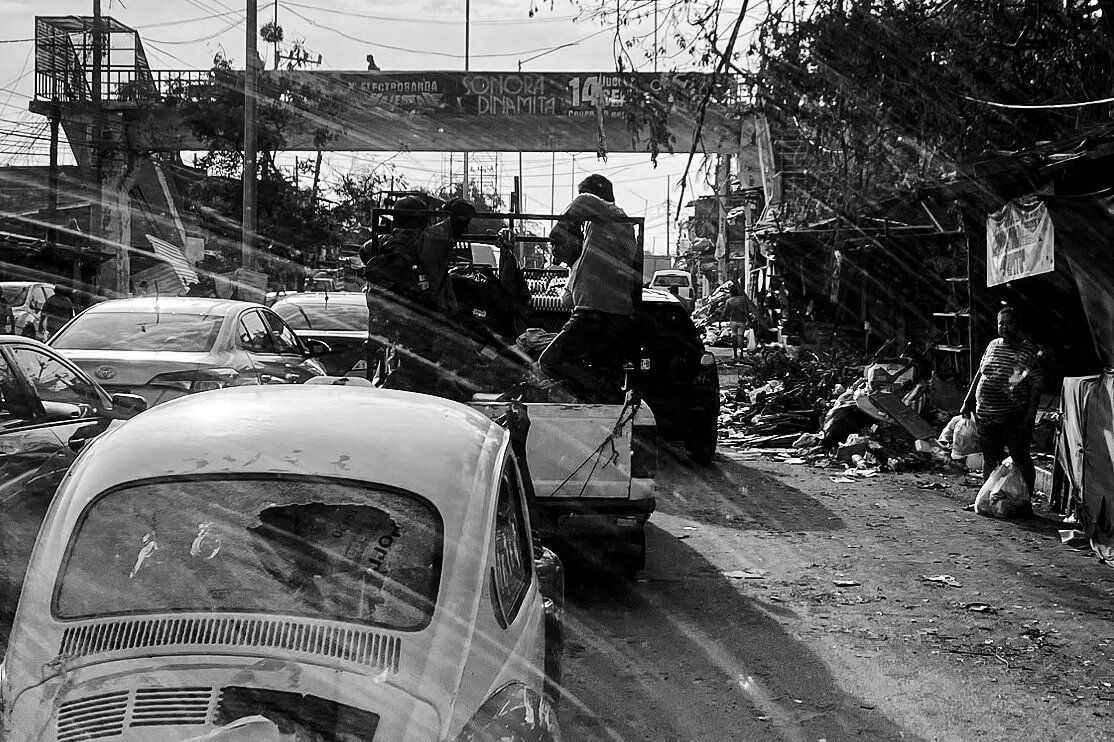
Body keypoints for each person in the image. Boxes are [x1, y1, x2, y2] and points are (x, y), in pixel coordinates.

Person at [539, 174, 638, 402]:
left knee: (549, 361)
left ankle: (603, 391)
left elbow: (581, 202)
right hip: (600, 312)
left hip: (598, 314)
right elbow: (568, 299)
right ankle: (597, 395)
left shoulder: (614, 216)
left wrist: (562, 227)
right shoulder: (601, 231)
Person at [961, 306, 1042, 502]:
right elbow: (980, 373)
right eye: (1000, 323)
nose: (1004, 327)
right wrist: (968, 400)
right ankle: (987, 500)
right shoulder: (993, 345)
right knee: (990, 459)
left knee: (1020, 458)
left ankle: (1024, 502)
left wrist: (1030, 416)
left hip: (1013, 417)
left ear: (1018, 326)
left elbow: (1036, 386)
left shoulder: (1028, 351)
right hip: (986, 416)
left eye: (1008, 323)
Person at [723, 284, 756, 360]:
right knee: (740, 336)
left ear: (731, 293)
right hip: (742, 321)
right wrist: (749, 320)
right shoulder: (743, 300)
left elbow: (725, 312)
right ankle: (740, 354)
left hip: (733, 321)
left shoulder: (729, 301)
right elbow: (747, 311)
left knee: (734, 336)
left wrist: (721, 320)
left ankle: (734, 354)